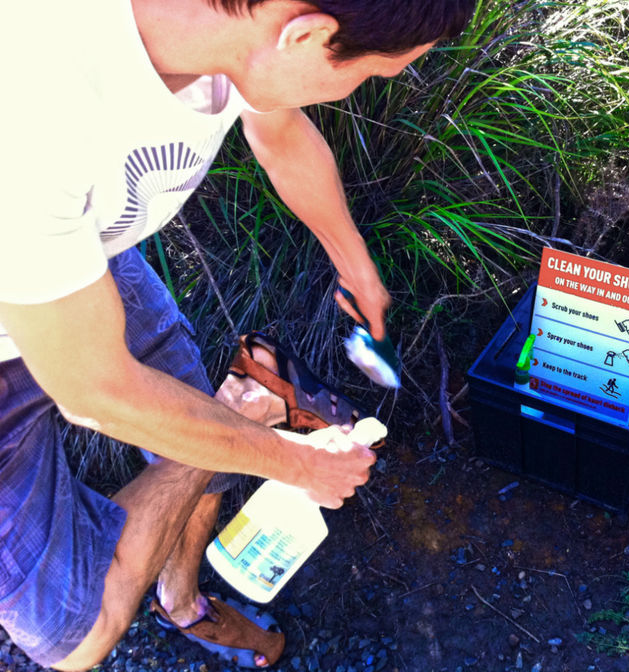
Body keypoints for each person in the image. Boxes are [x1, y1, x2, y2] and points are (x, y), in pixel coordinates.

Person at [0, 0, 475, 669]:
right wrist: (298, 462)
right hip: (34, 307)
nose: (359, 90)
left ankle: (179, 591)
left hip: (81, 254)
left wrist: (354, 262)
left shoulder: (239, 29)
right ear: (305, 35)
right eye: (369, 76)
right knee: (76, 636)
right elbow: (97, 391)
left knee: (203, 437)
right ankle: (240, 408)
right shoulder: (30, 102)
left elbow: (277, 130)